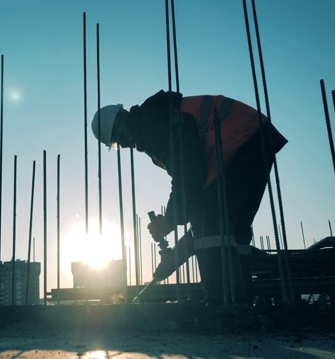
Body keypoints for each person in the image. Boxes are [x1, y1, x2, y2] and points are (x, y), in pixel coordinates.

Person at [91, 90, 287, 305]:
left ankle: (220, 304)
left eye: (119, 138)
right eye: (117, 145)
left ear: (123, 121)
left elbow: (189, 174)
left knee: (205, 214)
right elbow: (192, 175)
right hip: (255, 137)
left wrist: (170, 219)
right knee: (233, 223)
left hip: (238, 138)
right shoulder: (158, 117)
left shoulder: (151, 123)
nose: (125, 145)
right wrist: (176, 255)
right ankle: (240, 301)